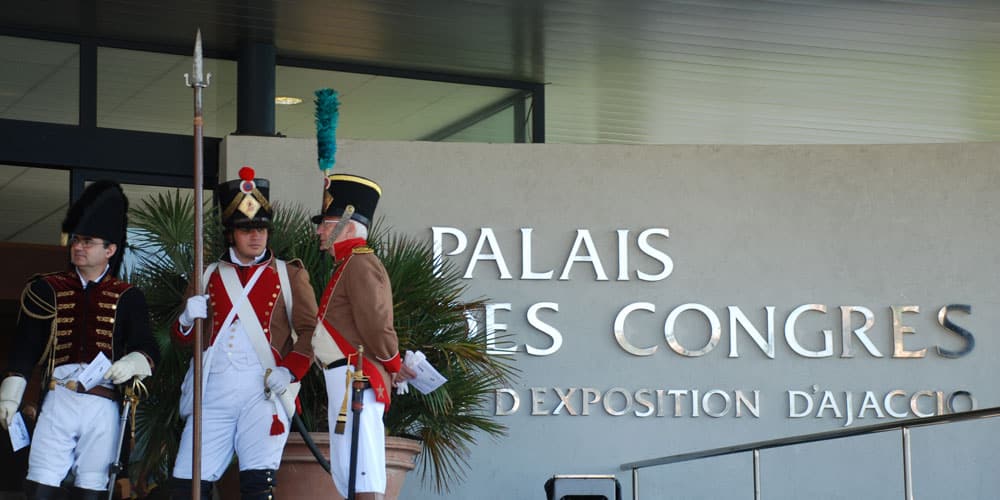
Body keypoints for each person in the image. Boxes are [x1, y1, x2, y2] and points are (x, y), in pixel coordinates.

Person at [0, 180, 159, 500]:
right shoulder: (48, 289)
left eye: (88, 241)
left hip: (103, 404)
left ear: (110, 250)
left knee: (92, 489)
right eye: (76, 240)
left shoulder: (128, 296)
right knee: (40, 485)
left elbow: (148, 346)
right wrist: (11, 392)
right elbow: (25, 347)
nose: (79, 247)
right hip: (59, 399)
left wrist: (132, 362)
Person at [170, 166, 318, 500]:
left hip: (263, 392)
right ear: (230, 234)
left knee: (256, 486)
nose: (256, 236)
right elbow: (183, 341)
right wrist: (185, 320)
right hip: (213, 390)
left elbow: (311, 332)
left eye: (262, 229)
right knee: (186, 486)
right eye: (246, 229)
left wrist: (290, 369)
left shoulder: (289, 275)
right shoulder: (207, 274)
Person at [311, 173, 414, 500]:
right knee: (349, 473)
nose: (319, 231)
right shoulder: (347, 264)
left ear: (347, 223)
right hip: (344, 377)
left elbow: (375, 323)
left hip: (357, 377)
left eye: (327, 223)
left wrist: (393, 362)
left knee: (362, 472)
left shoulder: (360, 263)